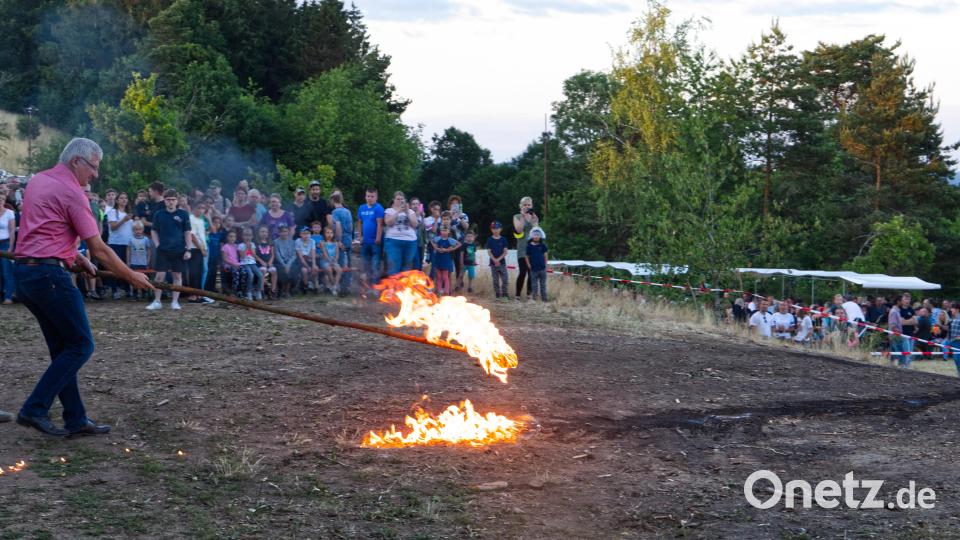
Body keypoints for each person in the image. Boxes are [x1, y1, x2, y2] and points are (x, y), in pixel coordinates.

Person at [12, 137, 153, 436]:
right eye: (93, 167)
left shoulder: (38, 181)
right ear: (76, 161)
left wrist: (72, 255)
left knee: (63, 347)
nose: (96, 175)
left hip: (26, 273)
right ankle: (34, 408)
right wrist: (130, 275)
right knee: (81, 345)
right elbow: (100, 249)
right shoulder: (72, 192)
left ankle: (75, 419)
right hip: (50, 278)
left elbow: (43, 229)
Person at [147, 189, 193, 310]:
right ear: (165, 201)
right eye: (168, 200)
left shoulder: (183, 214)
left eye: (173, 200)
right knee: (159, 276)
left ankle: (175, 302)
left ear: (177, 201)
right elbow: (153, 230)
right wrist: (157, 245)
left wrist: (189, 249)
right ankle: (157, 301)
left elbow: (187, 232)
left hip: (179, 250)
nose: (171, 202)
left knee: (177, 276)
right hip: (163, 250)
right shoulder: (159, 214)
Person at [383, 191, 419, 276]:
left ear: (405, 200)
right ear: (394, 200)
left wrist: (406, 212)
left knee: (406, 268)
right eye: (398, 199)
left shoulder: (410, 211)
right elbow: (388, 222)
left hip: (410, 241)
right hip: (393, 240)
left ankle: (402, 288)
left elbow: (415, 224)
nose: (400, 201)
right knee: (394, 267)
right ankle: (393, 287)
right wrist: (398, 211)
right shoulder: (389, 211)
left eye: (401, 199)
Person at [106, 192, 134, 299]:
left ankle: (127, 289)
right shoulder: (113, 212)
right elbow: (113, 227)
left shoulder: (129, 213)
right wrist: (124, 220)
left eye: (126, 198)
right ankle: (114, 289)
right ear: (117, 201)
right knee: (115, 267)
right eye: (121, 198)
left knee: (126, 266)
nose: (124, 200)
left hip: (127, 244)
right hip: (115, 243)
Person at [357, 187, 384, 288]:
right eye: (368, 196)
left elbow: (380, 224)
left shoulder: (378, 208)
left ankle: (375, 286)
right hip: (365, 241)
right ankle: (366, 286)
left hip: (375, 241)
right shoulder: (361, 208)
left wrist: (378, 238)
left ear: (376, 197)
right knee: (365, 264)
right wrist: (360, 236)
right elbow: (359, 223)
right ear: (365, 196)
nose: (370, 198)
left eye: (372, 196)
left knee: (375, 264)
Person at [186, 202, 213, 304]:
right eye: (199, 208)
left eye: (203, 208)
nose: (201, 210)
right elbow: (192, 236)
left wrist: (204, 248)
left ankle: (198, 295)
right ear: (194, 208)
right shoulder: (192, 219)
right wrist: (201, 249)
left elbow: (203, 235)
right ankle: (193, 295)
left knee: (199, 272)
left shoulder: (201, 220)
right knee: (194, 272)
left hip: (201, 249)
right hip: (194, 249)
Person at [513, 196, 538, 301]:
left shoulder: (534, 217)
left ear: (531, 206)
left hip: (533, 249)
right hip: (522, 249)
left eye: (528, 205)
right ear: (521, 206)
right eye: (524, 205)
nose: (527, 207)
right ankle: (517, 295)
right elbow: (519, 230)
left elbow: (536, 231)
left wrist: (531, 220)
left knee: (531, 272)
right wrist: (523, 217)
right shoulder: (517, 216)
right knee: (522, 272)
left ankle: (529, 295)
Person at [330, 192, 353, 294]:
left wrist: (338, 241)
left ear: (332, 200)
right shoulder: (347, 211)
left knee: (341, 263)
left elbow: (338, 226)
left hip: (342, 239)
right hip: (348, 239)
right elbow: (352, 226)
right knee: (348, 263)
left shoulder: (335, 212)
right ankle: (347, 286)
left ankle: (342, 288)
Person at [126, 221, 153, 301]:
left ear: (143, 230)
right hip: (134, 262)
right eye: (136, 229)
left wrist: (148, 260)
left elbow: (148, 250)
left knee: (145, 278)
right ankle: (135, 294)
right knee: (134, 279)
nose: (138, 231)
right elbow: (128, 250)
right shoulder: (130, 239)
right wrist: (128, 261)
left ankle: (145, 292)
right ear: (133, 230)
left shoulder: (146, 239)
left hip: (143, 263)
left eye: (140, 229)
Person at [431, 226, 458, 295]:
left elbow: (459, 244)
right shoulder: (437, 238)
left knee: (445, 276)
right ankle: (439, 292)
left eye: (445, 230)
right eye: (442, 230)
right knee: (439, 277)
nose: (444, 232)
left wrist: (448, 250)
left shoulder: (450, 240)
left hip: (446, 259)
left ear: (448, 232)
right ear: (440, 231)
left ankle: (446, 292)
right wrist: (436, 248)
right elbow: (431, 241)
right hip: (438, 258)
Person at [238, 227, 263, 301]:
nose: (247, 237)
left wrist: (261, 261)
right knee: (251, 275)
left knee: (260, 275)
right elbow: (242, 257)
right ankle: (249, 292)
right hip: (244, 263)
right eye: (245, 235)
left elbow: (254, 254)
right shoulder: (241, 245)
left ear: (252, 236)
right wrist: (246, 248)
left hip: (252, 263)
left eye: (249, 235)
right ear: (242, 236)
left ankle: (258, 291)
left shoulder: (252, 244)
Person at [888, 294, 913, 368]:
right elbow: (893, 325)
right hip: (896, 336)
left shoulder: (896, 311)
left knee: (896, 353)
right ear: (898, 301)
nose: (903, 302)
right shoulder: (894, 312)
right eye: (902, 301)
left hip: (896, 336)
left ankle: (899, 366)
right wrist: (900, 334)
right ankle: (903, 367)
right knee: (902, 353)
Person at [0, 190, 16, 304]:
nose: (0, 201)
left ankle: (8, 296)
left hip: (5, 244)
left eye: (1, 199)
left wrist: (10, 247)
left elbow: (12, 231)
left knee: (6, 271)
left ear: (4, 201)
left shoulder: (9, 213)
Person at [273, 224, 298, 297]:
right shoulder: (275, 242)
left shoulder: (292, 242)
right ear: (279, 232)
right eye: (282, 231)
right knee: (281, 271)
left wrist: (288, 265)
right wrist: (284, 265)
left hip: (290, 262)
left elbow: (294, 254)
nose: (283, 233)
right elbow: (277, 255)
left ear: (288, 232)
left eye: (285, 231)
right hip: (280, 262)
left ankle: (288, 291)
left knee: (294, 270)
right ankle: (282, 290)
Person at [487, 221, 509, 300]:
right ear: (491, 230)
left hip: (502, 263)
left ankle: (505, 294)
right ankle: (497, 294)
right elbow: (489, 252)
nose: (495, 230)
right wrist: (495, 260)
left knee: (505, 279)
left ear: (501, 229)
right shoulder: (490, 240)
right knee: (495, 280)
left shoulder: (503, 239)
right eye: (493, 228)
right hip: (493, 263)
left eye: (497, 228)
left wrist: (498, 259)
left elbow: (505, 251)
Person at [525, 226, 549, 302]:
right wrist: (529, 265)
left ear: (540, 236)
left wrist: (545, 265)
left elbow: (545, 255)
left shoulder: (543, 245)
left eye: (538, 235)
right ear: (532, 236)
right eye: (534, 235)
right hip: (533, 269)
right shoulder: (529, 246)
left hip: (542, 268)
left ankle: (544, 299)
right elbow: (526, 256)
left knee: (543, 285)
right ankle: (534, 299)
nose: (536, 236)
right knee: (534, 285)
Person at [254, 225, 278, 298]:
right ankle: (262, 290)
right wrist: (261, 261)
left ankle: (273, 290)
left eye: (266, 232)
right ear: (258, 233)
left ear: (268, 233)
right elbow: (254, 254)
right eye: (262, 232)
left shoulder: (270, 242)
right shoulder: (256, 242)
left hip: (269, 263)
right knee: (263, 270)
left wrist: (270, 262)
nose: (264, 233)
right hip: (259, 264)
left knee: (274, 271)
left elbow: (273, 254)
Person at [318, 226, 342, 295]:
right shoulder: (322, 242)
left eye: (331, 233)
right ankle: (333, 285)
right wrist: (330, 262)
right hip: (325, 260)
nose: (329, 234)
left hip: (334, 261)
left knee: (339, 270)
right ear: (324, 234)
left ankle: (334, 285)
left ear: (333, 234)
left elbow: (337, 254)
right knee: (329, 269)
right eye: (327, 233)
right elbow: (324, 253)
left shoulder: (336, 243)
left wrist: (334, 261)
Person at [205, 215, 225, 293]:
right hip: (207, 256)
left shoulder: (220, 234)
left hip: (216, 256)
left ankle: (211, 289)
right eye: (215, 222)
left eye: (219, 223)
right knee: (207, 273)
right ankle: (205, 289)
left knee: (213, 273)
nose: (217, 224)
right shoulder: (208, 233)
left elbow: (221, 246)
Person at [295, 226, 318, 292]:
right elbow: (300, 257)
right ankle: (305, 285)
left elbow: (313, 253)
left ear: (310, 234)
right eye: (304, 233)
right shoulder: (298, 241)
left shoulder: (312, 241)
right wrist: (308, 267)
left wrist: (313, 264)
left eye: (308, 233)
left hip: (309, 259)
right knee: (304, 270)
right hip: (301, 261)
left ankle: (315, 286)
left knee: (315, 268)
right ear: (300, 234)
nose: (306, 235)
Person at [220, 229, 244, 295]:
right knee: (236, 272)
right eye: (230, 236)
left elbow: (241, 256)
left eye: (234, 236)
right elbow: (224, 259)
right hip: (228, 265)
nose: (232, 238)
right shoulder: (225, 246)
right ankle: (234, 290)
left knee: (244, 272)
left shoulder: (236, 246)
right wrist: (234, 264)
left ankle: (240, 290)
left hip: (236, 264)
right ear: (227, 237)